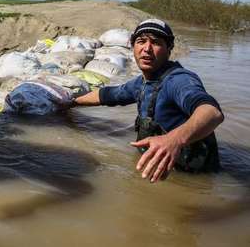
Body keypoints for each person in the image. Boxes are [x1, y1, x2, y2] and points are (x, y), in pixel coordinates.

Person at [68, 19, 224, 183]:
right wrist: (71, 102)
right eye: (141, 42)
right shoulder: (142, 82)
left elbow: (211, 112)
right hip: (156, 170)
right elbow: (109, 95)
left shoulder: (178, 80)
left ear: (169, 49)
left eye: (156, 43)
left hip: (194, 180)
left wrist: (174, 139)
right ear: (133, 46)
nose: (147, 49)